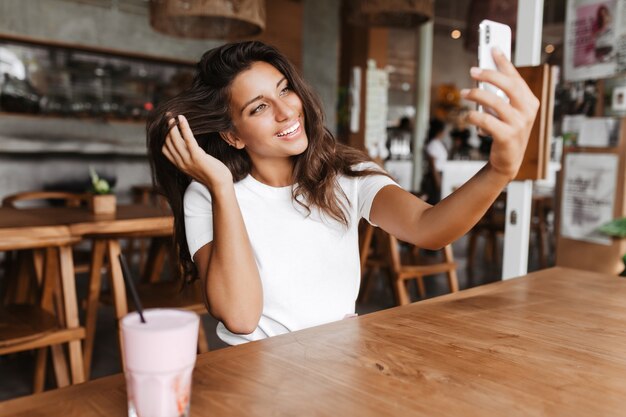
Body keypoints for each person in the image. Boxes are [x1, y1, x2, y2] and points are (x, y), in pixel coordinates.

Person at [147, 41, 539, 346]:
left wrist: (500, 169)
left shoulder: (346, 176)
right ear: (231, 134)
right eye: (259, 107)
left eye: (285, 91)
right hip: (254, 376)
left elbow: (428, 228)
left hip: (336, 365)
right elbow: (240, 317)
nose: (286, 112)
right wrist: (220, 186)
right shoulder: (207, 195)